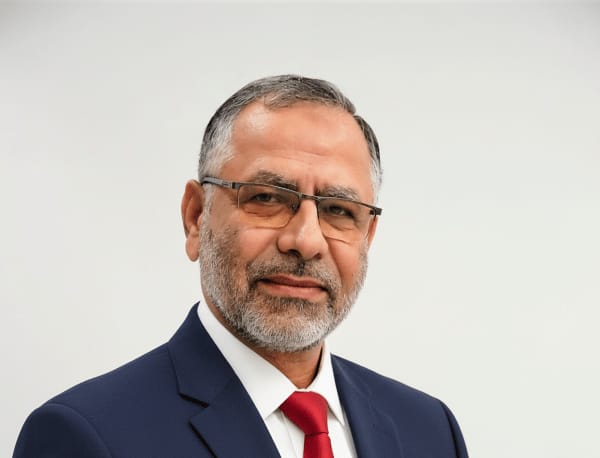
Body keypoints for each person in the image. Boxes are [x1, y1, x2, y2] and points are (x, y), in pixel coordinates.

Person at [14, 75, 468, 457]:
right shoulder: (86, 435)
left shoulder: (430, 431)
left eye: (338, 210)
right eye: (267, 198)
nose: (305, 241)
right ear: (196, 217)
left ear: (367, 236)